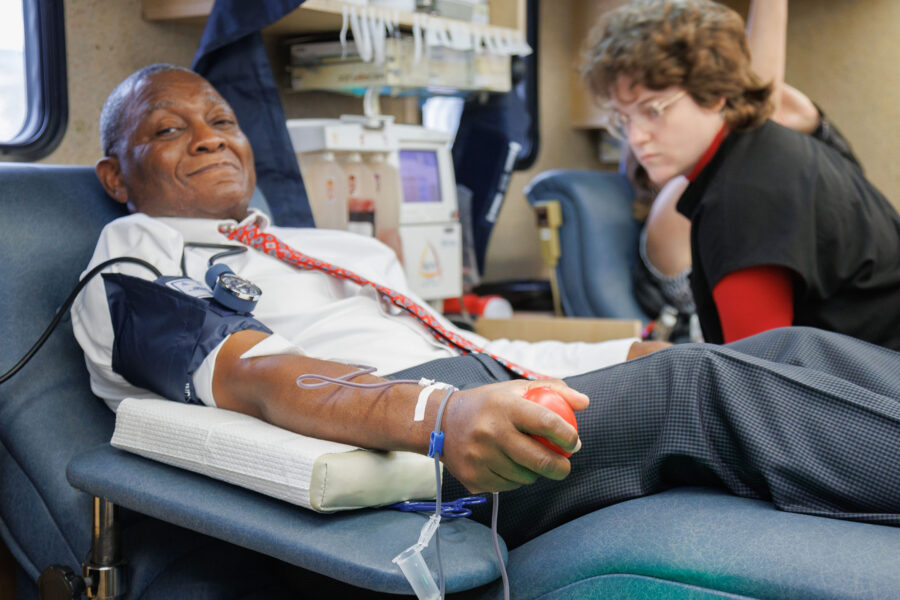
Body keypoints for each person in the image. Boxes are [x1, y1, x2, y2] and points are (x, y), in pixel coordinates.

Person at [72, 64, 900, 549]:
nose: (212, 135)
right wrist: (438, 415)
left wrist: (610, 358)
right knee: (693, 390)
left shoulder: (337, 249)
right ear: (116, 176)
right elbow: (260, 379)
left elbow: (465, 342)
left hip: (484, 387)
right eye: (168, 132)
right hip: (409, 456)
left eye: (220, 118)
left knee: (780, 350)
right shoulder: (135, 256)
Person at [592, 0, 900, 349]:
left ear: (716, 94)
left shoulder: (743, 195)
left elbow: (750, 380)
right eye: (624, 118)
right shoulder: (762, 152)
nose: (635, 138)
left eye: (653, 110)